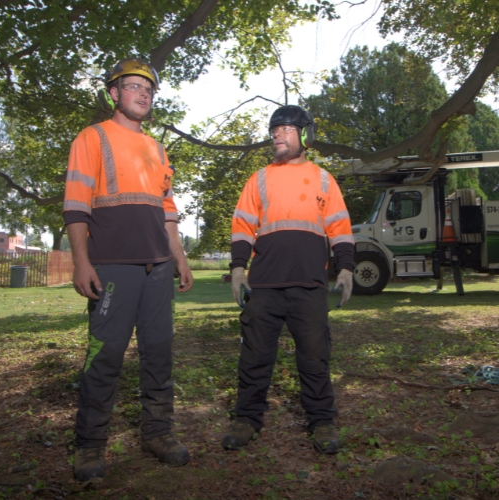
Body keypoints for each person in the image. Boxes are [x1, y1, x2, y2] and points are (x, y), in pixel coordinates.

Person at [62, 58, 193, 481]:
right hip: (113, 266)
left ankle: (157, 433)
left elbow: (167, 209)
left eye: (148, 89)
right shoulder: (92, 137)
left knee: (159, 355)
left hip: (158, 268)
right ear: (114, 93)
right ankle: (90, 446)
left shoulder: (157, 148)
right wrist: (81, 261)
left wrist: (180, 256)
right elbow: (77, 206)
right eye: (133, 86)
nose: (142, 93)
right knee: (105, 358)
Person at [222, 105, 354, 454]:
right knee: (254, 356)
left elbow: (339, 227)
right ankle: (246, 419)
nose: (277, 134)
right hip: (263, 285)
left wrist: (345, 267)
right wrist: (237, 268)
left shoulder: (324, 179)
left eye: (286, 128)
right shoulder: (259, 179)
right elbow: (242, 226)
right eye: (274, 129)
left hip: (309, 285)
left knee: (315, 357)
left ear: (305, 135)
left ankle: (322, 421)